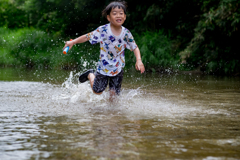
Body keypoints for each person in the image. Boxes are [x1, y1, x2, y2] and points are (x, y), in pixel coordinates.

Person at [63, 1, 145, 98]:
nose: (118, 16)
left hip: (118, 68)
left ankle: (110, 113)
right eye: (114, 13)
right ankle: (90, 74)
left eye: (121, 13)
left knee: (114, 95)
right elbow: (87, 37)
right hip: (103, 67)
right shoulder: (103, 30)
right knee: (97, 91)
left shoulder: (126, 33)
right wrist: (73, 42)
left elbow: (134, 47)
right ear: (109, 18)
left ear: (125, 17)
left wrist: (139, 60)